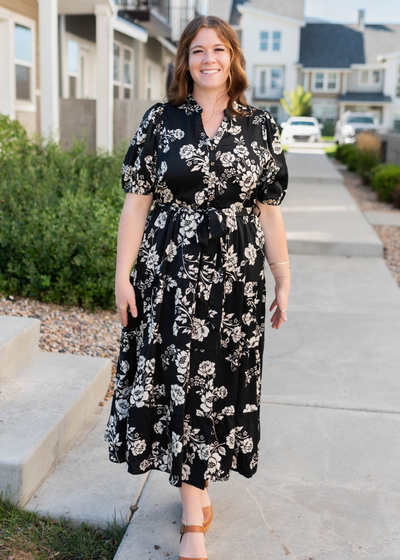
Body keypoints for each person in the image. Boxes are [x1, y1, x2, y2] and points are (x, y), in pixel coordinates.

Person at [104, 14, 290, 560]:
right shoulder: (161, 121)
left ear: (233, 58)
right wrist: (122, 275)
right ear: (185, 61)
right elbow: (135, 205)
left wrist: (283, 277)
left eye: (218, 49)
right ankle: (192, 518)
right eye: (197, 51)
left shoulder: (261, 127)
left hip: (235, 277)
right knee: (178, 378)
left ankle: (196, 490)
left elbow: (271, 213)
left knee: (214, 381)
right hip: (169, 272)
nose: (208, 58)